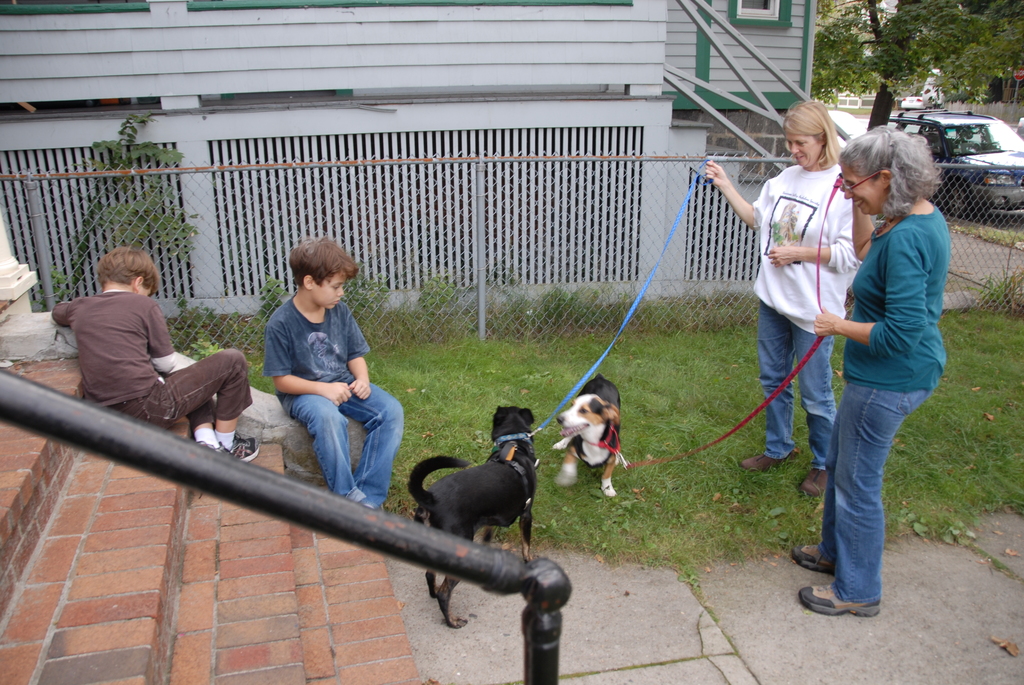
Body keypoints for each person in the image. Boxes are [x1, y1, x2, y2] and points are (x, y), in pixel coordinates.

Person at [792, 128, 949, 617]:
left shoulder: (906, 240)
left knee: (858, 484)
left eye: (853, 183)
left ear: (886, 177)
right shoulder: (908, 218)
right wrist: (860, 203)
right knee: (841, 465)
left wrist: (840, 325)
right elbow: (863, 253)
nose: (846, 191)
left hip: (890, 380)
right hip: (881, 376)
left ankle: (858, 589)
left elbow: (901, 333)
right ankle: (833, 552)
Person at [703, 101, 859, 496]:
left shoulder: (843, 187)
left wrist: (798, 253)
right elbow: (756, 219)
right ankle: (779, 448)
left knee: (816, 393)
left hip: (814, 312)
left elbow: (850, 254)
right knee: (773, 380)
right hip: (773, 300)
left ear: (823, 138)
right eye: (790, 143)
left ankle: (825, 464)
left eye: (801, 142)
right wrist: (725, 185)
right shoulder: (785, 178)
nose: (794, 150)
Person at [52, 247, 260, 460]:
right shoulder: (144, 304)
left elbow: (58, 311)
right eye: (147, 290)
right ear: (138, 282)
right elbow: (166, 363)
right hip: (146, 408)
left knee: (192, 380)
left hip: (103, 414)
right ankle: (229, 445)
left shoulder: (79, 306)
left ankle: (206, 441)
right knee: (232, 360)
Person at [263, 237, 404, 508]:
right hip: (304, 392)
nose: (341, 293)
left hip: (343, 384)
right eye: (336, 286)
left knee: (391, 411)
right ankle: (345, 497)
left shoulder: (339, 311)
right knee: (329, 418)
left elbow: (355, 354)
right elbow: (281, 381)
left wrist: (362, 380)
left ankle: (368, 497)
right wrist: (322, 389)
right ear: (309, 282)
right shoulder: (280, 323)